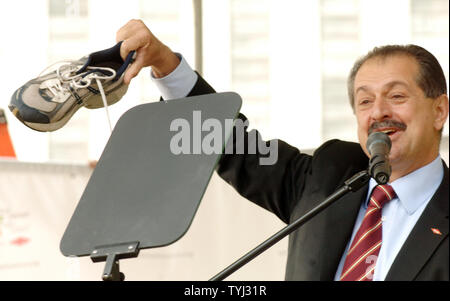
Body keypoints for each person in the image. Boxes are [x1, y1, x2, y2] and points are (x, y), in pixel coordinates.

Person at [116, 19, 449, 281]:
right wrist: (166, 64)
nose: (378, 113)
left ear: (439, 111)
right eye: (364, 101)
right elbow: (234, 145)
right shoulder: (329, 174)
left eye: (397, 96)